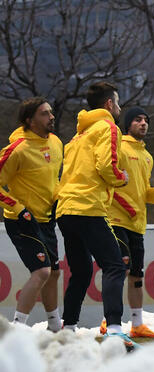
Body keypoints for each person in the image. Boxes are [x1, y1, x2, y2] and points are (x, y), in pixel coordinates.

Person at [56, 81, 133, 344]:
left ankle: (68, 329)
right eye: (118, 102)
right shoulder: (108, 128)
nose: (120, 108)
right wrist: (121, 177)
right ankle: (114, 329)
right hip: (88, 206)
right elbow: (107, 166)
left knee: (81, 272)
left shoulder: (77, 137)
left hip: (66, 209)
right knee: (114, 266)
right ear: (109, 104)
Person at [101, 106, 154, 337]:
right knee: (119, 269)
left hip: (137, 222)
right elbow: (108, 180)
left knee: (137, 275)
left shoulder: (147, 156)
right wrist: (126, 206)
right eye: (137, 120)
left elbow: (142, 188)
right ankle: (109, 320)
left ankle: (137, 324)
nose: (143, 123)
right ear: (128, 124)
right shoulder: (119, 146)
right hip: (117, 219)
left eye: (146, 120)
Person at [0, 97, 63, 331]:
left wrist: (59, 197)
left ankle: (54, 325)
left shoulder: (56, 142)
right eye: (44, 113)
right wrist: (18, 208)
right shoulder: (17, 149)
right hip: (22, 220)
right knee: (42, 271)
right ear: (30, 120)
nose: (51, 117)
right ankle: (18, 329)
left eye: (51, 112)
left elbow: (55, 179)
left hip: (47, 219)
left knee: (54, 273)